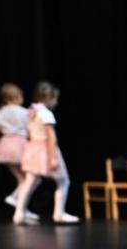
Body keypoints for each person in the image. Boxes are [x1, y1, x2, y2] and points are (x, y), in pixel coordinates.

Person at [12, 81, 78, 225]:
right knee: (64, 181)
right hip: (45, 148)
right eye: (55, 99)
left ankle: (19, 214)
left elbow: (28, 133)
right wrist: (53, 157)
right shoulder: (46, 113)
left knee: (29, 181)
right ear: (48, 97)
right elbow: (51, 137)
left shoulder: (31, 112)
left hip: (33, 148)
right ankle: (59, 213)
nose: (56, 102)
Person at [0, 83, 31, 212]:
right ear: (17, 96)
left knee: (22, 179)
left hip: (6, 146)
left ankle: (22, 208)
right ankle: (15, 199)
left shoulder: (1, 112)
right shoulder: (25, 112)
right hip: (21, 145)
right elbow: (30, 129)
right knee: (28, 179)